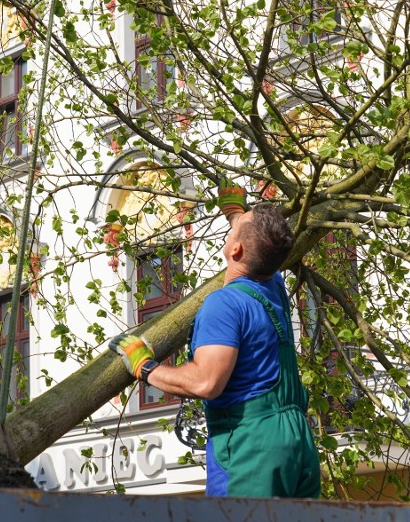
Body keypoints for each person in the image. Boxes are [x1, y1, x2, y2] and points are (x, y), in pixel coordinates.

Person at [110, 180, 321, 498]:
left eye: (238, 227)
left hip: (252, 446)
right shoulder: (273, 285)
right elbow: (259, 247)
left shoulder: (224, 305)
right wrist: (236, 214)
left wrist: (146, 367)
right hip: (298, 443)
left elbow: (206, 383)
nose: (235, 226)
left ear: (236, 249)